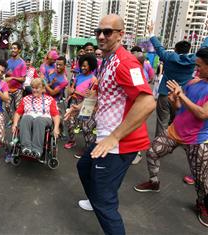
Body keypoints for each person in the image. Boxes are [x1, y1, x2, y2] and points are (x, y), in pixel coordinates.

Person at [70, 14, 155, 235]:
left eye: (108, 32)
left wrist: (115, 136)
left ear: (120, 34)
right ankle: (97, 197)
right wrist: (78, 108)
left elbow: (147, 102)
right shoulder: (107, 60)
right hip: (105, 137)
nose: (101, 36)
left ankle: (100, 200)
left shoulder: (126, 62)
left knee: (105, 203)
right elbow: (106, 95)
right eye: (99, 31)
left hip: (118, 143)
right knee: (84, 167)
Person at [134, 47, 208, 227]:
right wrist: (175, 101)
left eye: (199, 66)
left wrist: (181, 94)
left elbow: (202, 114)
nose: (195, 70)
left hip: (197, 139)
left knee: (201, 179)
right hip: (175, 132)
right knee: (152, 152)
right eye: (195, 66)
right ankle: (154, 182)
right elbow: (180, 109)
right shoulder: (192, 83)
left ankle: (203, 204)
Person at [12, 78, 60, 159]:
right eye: (33, 88)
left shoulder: (49, 99)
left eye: (37, 88)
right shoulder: (26, 99)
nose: (34, 90)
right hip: (29, 117)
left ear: (43, 88)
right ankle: (26, 147)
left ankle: (37, 150)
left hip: (44, 118)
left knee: (38, 120)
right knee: (25, 117)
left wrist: (56, 128)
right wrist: (15, 124)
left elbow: (55, 115)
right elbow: (18, 113)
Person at [64, 54, 98, 150]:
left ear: (90, 66)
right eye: (82, 65)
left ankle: (88, 148)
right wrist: (71, 92)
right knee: (69, 122)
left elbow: (90, 96)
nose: (82, 68)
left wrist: (75, 91)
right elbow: (70, 89)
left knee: (86, 127)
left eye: (85, 66)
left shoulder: (94, 79)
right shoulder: (78, 76)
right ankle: (72, 141)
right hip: (74, 101)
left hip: (86, 104)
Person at [5, 42, 27, 125]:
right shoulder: (7, 62)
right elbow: (5, 74)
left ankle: (17, 124)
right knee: (7, 106)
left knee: (18, 108)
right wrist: (7, 74)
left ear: (19, 50)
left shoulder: (22, 63)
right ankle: (12, 119)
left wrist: (13, 77)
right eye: (12, 48)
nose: (13, 50)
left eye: (15, 48)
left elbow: (23, 79)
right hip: (9, 89)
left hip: (18, 89)